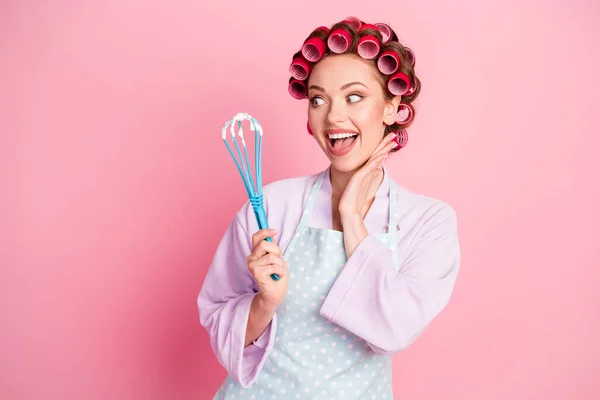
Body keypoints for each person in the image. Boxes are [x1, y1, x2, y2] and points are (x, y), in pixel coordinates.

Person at [197, 17, 461, 400]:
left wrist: (352, 217)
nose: (333, 116)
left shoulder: (427, 221)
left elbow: (394, 331)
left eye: (354, 96)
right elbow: (217, 313)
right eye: (318, 99)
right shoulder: (272, 205)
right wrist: (263, 303)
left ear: (391, 106)